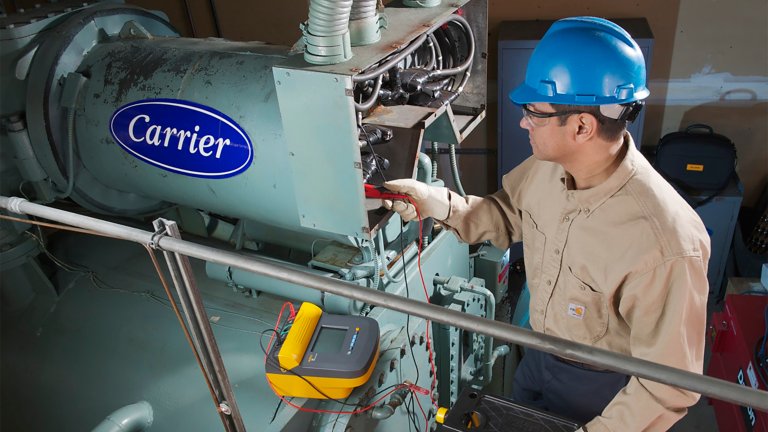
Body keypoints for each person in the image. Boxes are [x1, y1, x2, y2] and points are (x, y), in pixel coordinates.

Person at [383, 17, 710, 432]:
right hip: (537, 354)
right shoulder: (547, 168)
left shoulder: (667, 243)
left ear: (581, 126)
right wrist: (440, 204)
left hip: (604, 389)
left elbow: (668, 386)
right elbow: (506, 214)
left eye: (535, 112)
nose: (524, 122)